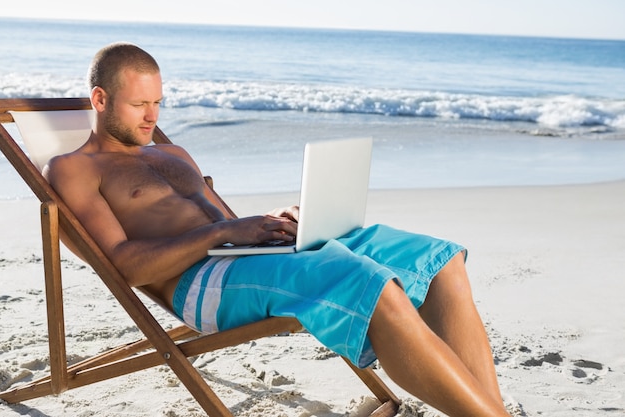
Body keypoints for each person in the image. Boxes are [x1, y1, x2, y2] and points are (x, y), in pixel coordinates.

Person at [44, 42, 510, 416]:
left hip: (244, 259)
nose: (152, 117)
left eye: (158, 103)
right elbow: (123, 266)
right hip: (201, 284)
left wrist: (274, 222)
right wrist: (217, 236)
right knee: (367, 282)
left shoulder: (174, 155)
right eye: (138, 104)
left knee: (440, 258)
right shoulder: (75, 169)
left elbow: (226, 224)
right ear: (100, 100)